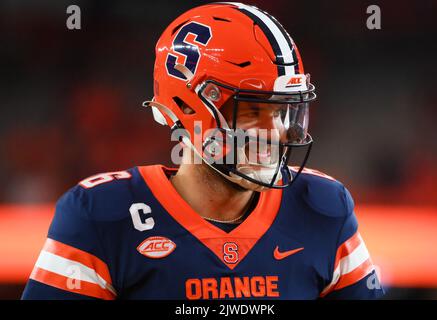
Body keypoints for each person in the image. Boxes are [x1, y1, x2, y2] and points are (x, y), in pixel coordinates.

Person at [22, 2, 383, 300]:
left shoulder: (323, 208)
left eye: (283, 111)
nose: (275, 133)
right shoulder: (100, 216)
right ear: (192, 108)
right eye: (254, 111)